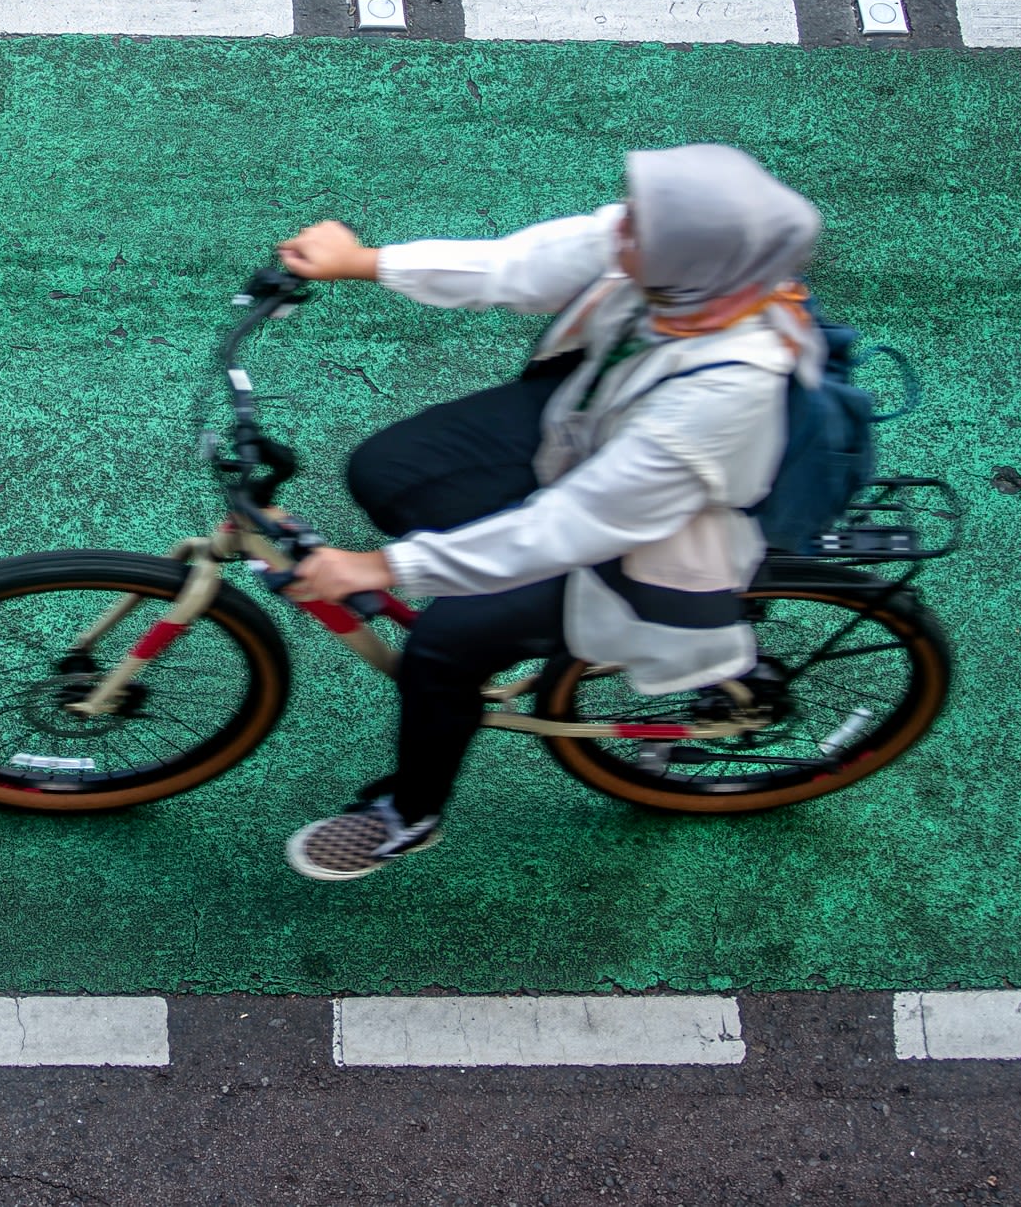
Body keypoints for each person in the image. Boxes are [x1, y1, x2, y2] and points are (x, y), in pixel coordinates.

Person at [272, 143, 826, 882]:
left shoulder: (729, 386)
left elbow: (577, 523)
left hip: (649, 529)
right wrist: (363, 261)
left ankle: (409, 812)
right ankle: (513, 607)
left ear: (686, 260)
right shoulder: (680, 276)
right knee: (387, 472)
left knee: (443, 647)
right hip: (592, 421)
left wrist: (382, 567)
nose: (616, 226)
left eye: (637, 226)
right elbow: (519, 264)